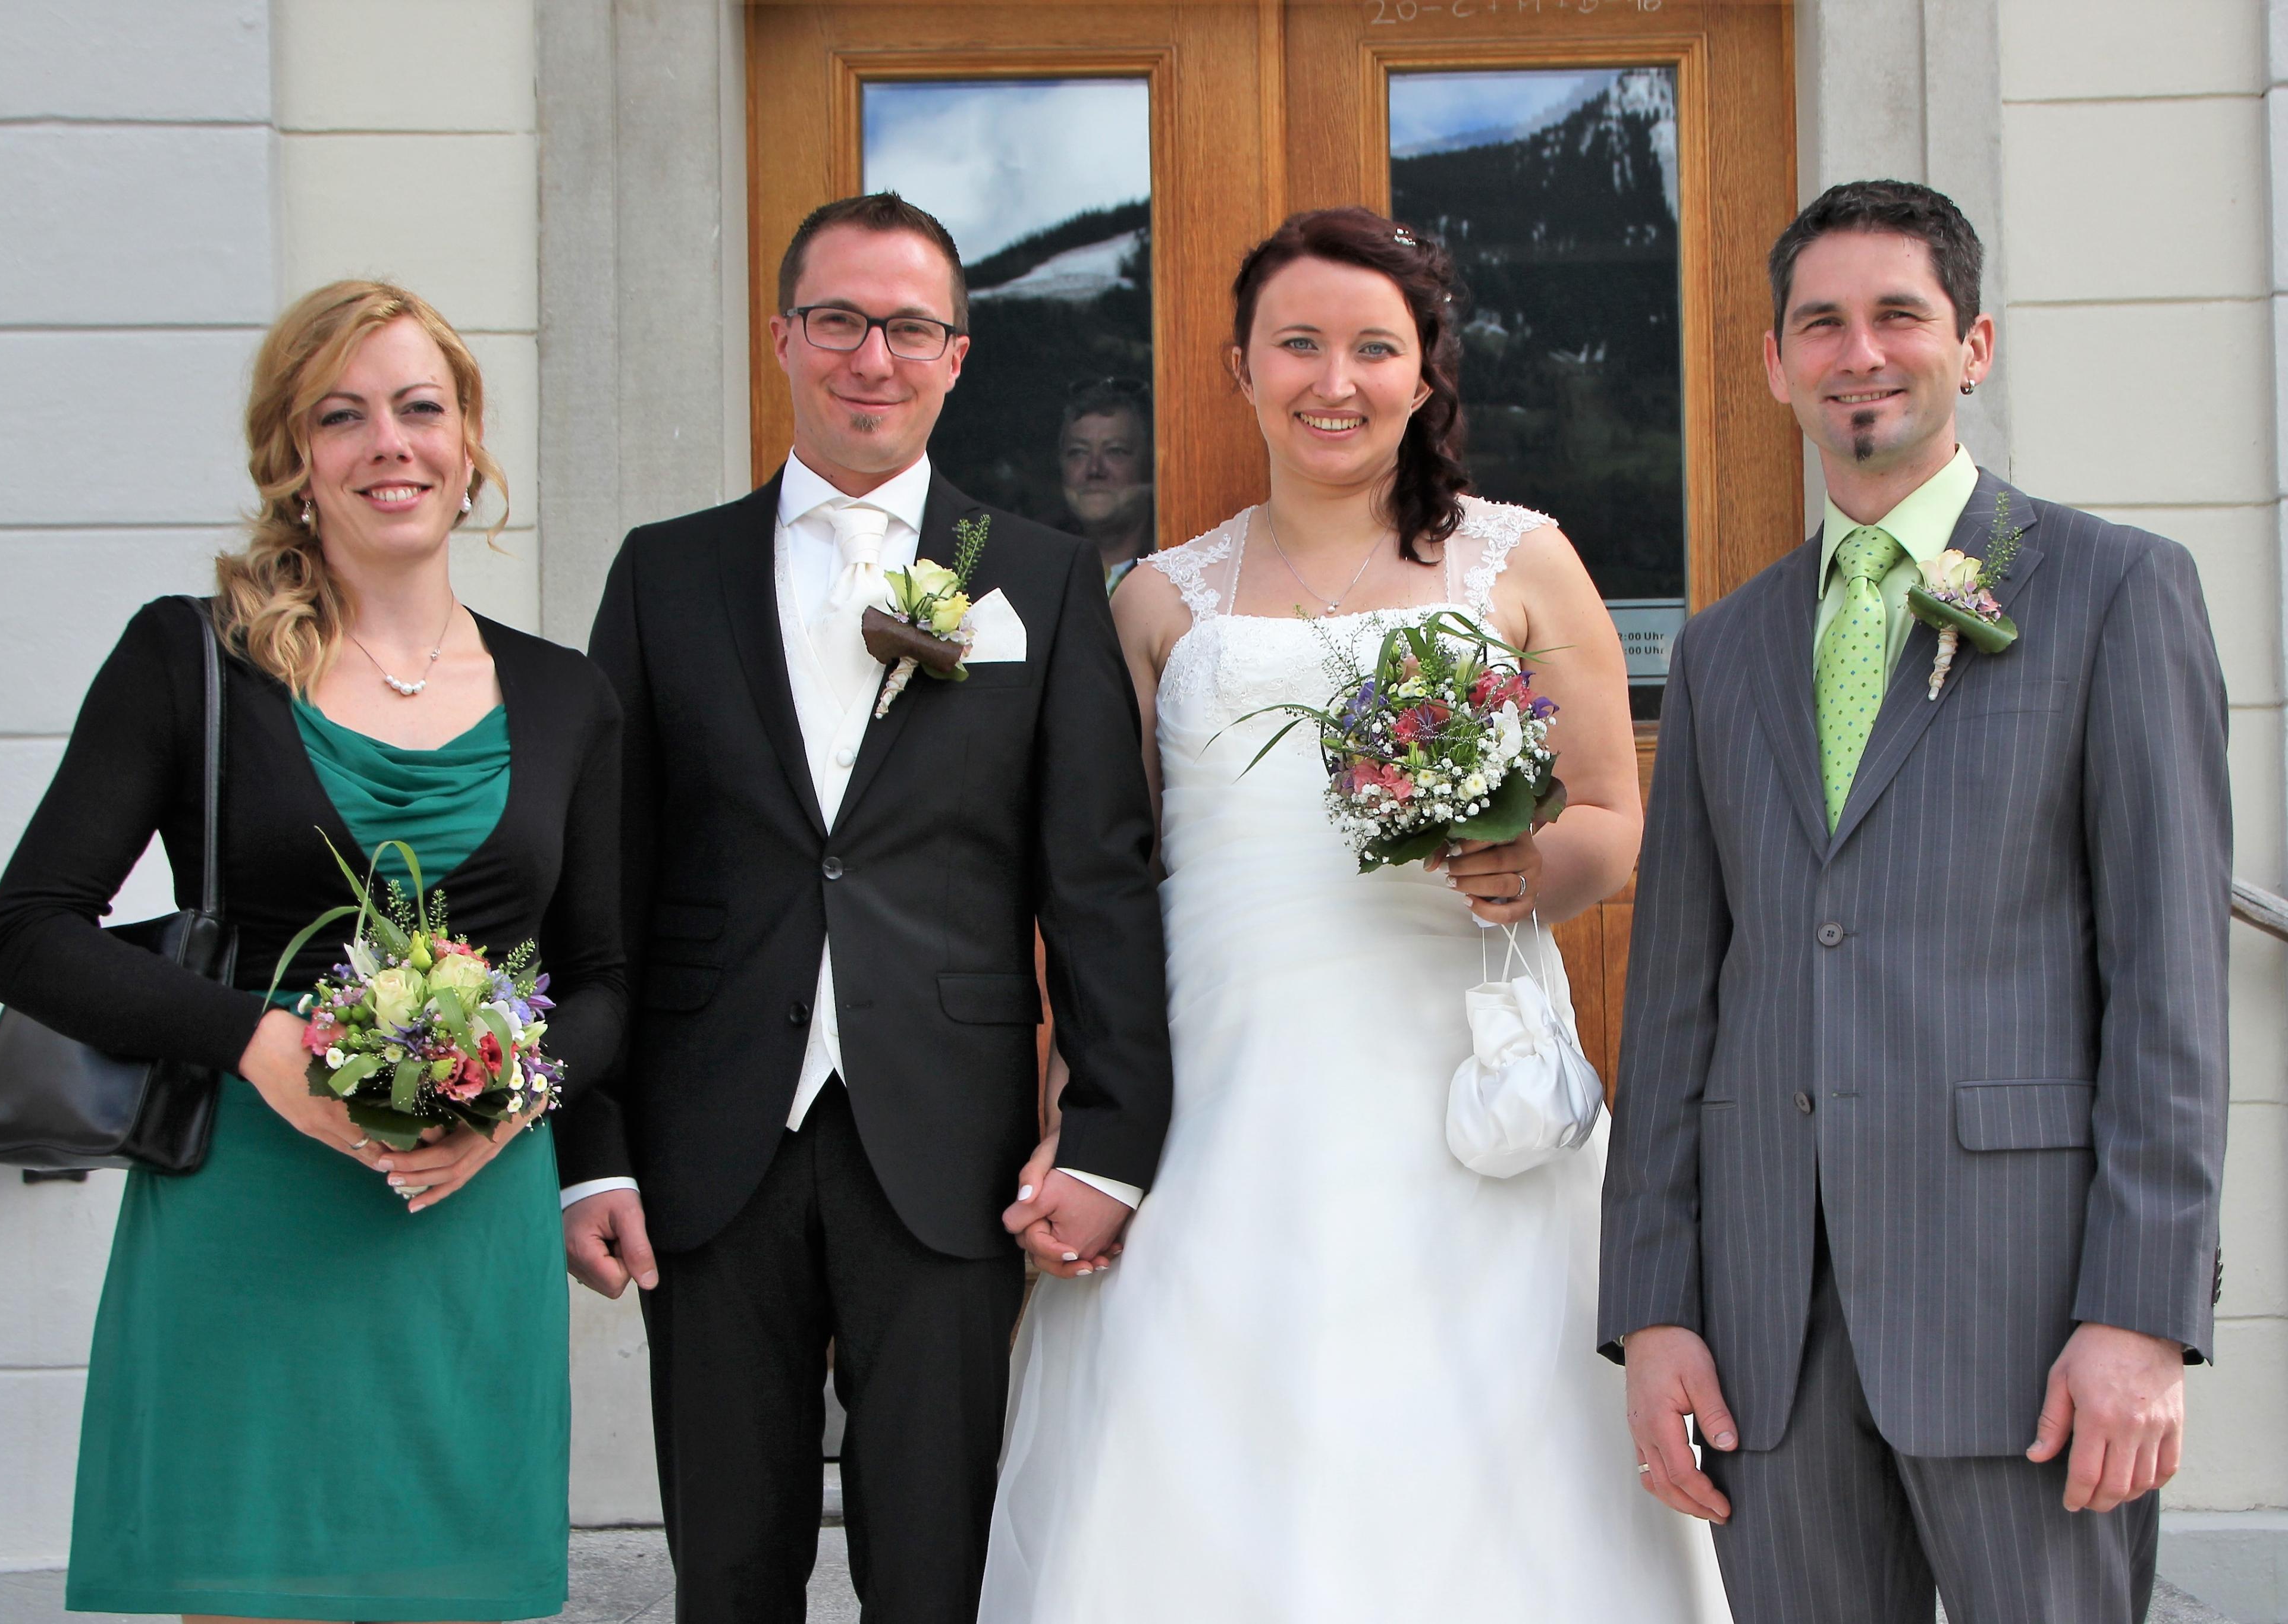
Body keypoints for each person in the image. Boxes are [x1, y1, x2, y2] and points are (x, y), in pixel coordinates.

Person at [982, 207, 1728, 1621]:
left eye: (1374, 348)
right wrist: (1078, 1120)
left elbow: (1609, 817)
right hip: (1221, 1095)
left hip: (1460, 1097)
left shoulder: (1520, 562)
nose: (1336, 382)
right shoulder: (1157, 602)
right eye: (1298, 345)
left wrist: (1526, 867)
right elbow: (1106, 898)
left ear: (1425, 369)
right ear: (1240, 367)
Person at [1601, 180, 2229, 1624]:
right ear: (1775, 364)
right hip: (1767, 1331)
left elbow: (2169, 987)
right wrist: (1653, 1306)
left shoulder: (2111, 592)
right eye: (1820, 324)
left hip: (2023, 1316)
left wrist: (2140, 1313)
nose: (1859, 353)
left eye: (1899, 315)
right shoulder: (1723, 650)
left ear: (1974, 346)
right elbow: (1676, 995)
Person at [559, 191, 1173, 1623]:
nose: (870, 357)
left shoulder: (1036, 578)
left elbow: (1096, 879)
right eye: (837, 320)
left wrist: (1109, 1136)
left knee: (935, 1566)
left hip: (951, 1144)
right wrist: (589, 1149)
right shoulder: (663, 573)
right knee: (728, 1567)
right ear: (782, 337)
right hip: (709, 1139)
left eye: (907, 327)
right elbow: (600, 888)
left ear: (955, 355)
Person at [0, 280, 627, 1624]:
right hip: (248, 1211)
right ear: (293, 457)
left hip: (463, 1226)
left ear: (467, 441)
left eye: (419, 407)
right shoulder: (187, 658)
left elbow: (608, 983)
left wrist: (512, 1108)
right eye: (343, 415)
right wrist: (259, 1042)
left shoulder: (568, 694)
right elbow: (26, 936)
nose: (389, 442)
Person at [1055, 378, 1157, 590]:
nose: (1095, 470)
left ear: (1150, 463)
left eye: (1115, 451)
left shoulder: (1178, 564)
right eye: (1079, 453)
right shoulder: (1040, 562)